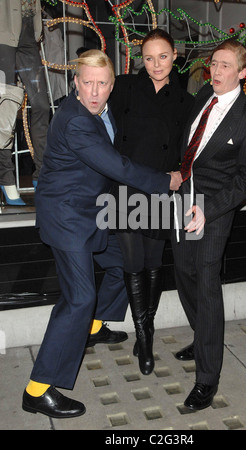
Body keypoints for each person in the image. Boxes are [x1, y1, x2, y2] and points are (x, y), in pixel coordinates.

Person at [22, 49, 182, 419]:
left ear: (112, 86)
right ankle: (37, 388)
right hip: (69, 219)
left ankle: (94, 327)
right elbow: (115, 165)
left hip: (89, 212)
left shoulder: (101, 111)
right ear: (75, 83)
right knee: (79, 298)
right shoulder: (76, 119)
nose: (94, 91)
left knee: (120, 264)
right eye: (88, 82)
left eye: (102, 83)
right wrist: (164, 181)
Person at [171, 40, 246, 410]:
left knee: (207, 284)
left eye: (225, 66)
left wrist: (208, 210)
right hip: (183, 203)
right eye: (214, 63)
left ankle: (207, 378)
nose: (215, 71)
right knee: (183, 273)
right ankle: (203, 337)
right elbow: (190, 151)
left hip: (213, 211)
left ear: (243, 73)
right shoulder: (201, 97)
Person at [109, 29, 194, 376]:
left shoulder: (186, 101)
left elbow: (189, 148)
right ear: (139, 59)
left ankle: (147, 325)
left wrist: (180, 173)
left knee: (155, 263)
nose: (156, 64)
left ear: (175, 56)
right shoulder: (125, 87)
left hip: (161, 188)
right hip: (125, 187)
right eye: (148, 58)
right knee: (132, 263)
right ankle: (144, 338)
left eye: (163, 56)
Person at [0, 0, 49, 204]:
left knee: (42, 105)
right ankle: (6, 178)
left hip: (29, 35)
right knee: (6, 108)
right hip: (3, 34)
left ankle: (41, 175)